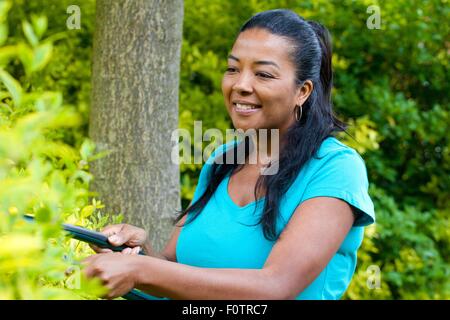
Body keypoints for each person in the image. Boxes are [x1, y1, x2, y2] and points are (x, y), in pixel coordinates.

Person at [83, 9, 375, 300]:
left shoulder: (335, 169)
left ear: (303, 91)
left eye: (263, 74)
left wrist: (138, 269)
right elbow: (174, 273)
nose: (240, 85)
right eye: (233, 69)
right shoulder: (221, 161)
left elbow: (275, 286)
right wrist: (132, 255)